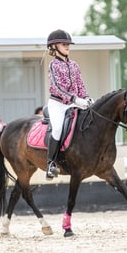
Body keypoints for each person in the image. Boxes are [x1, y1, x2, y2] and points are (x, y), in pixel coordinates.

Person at [45, 29, 93, 181]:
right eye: (63, 44)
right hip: (58, 104)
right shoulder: (53, 66)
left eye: (68, 44)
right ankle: (50, 164)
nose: (67, 46)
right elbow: (57, 88)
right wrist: (74, 99)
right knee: (58, 128)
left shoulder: (74, 65)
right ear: (54, 47)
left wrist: (86, 97)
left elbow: (80, 84)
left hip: (75, 102)